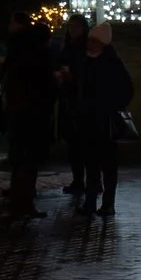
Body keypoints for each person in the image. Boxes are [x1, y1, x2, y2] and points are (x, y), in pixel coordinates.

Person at [1, 11, 57, 217]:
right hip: (34, 112)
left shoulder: (18, 52)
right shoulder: (40, 56)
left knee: (20, 157)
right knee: (30, 158)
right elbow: (45, 86)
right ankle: (24, 202)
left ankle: (17, 198)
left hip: (19, 110)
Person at [77, 21, 134, 218]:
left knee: (108, 165)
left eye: (93, 40)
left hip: (106, 120)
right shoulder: (85, 61)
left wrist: (111, 105)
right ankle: (90, 202)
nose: (89, 43)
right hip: (89, 118)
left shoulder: (111, 63)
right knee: (91, 164)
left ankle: (108, 203)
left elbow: (127, 90)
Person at [56, 12, 91, 195]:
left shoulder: (84, 48)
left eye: (76, 27)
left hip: (79, 100)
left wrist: (72, 77)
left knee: (82, 143)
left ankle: (87, 180)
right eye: (71, 27)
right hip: (70, 98)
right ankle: (79, 179)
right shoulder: (69, 47)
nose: (72, 30)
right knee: (74, 143)